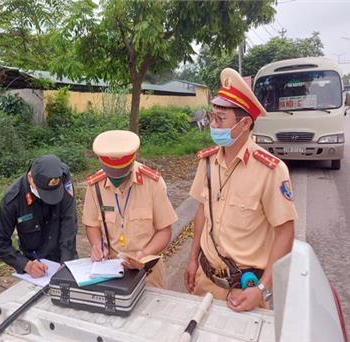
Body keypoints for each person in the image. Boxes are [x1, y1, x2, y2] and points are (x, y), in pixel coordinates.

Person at [184, 68, 297, 312]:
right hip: (205, 279)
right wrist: (192, 259)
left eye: (220, 119)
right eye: (212, 116)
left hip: (245, 289)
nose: (212, 124)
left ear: (245, 123)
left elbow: (285, 233)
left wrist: (263, 289)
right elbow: (203, 211)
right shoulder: (207, 161)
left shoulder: (271, 170)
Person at [82, 130, 178, 288]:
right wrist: (97, 246)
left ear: (132, 162)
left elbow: (164, 230)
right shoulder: (95, 186)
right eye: (111, 174)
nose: (116, 179)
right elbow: (92, 224)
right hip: (111, 272)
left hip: (147, 272)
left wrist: (143, 255)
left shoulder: (153, 183)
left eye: (121, 174)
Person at [0, 154, 78, 278]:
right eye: (44, 193)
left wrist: (66, 261)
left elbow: (69, 221)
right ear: (31, 178)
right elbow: (0, 244)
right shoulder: (13, 200)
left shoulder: (62, 177)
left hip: (65, 257)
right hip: (35, 268)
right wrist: (26, 265)